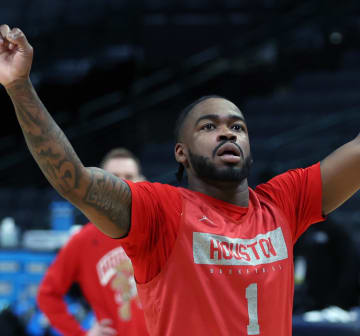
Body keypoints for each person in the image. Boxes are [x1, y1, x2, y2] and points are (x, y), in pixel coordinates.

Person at [1, 25, 360, 336]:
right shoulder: (160, 211)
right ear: (181, 153)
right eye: (209, 127)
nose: (227, 134)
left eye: (237, 127)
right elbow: (75, 181)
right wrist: (19, 86)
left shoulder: (283, 202)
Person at [37, 148, 149, 336]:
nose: (122, 183)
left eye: (129, 176)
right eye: (114, 177)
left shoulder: (159, 229)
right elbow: (47, 295)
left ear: (142, 181)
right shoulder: (83, 240)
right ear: (99, 185)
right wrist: (80, 334)